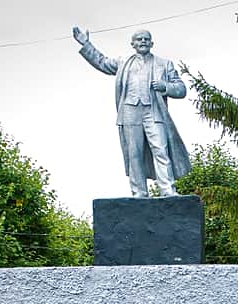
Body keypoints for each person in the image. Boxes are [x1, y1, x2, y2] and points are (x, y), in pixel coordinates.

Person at [73, 27, 191, 197]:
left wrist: (166, 87)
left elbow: (181, 89)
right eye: (139, 39)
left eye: (146, 39)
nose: (142, 41)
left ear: (151, 43)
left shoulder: (164, 64)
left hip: (154, 112)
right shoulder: (123, 62)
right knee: (134, 153)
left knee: (160, 150)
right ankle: (139, 192)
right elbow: (102, 62)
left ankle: (167, 190)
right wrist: (86, 44)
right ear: (132, 44)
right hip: (129, 111)